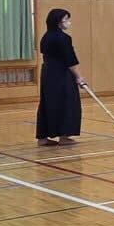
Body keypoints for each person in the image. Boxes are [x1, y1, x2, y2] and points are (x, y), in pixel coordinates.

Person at [36, 8, 84, 147]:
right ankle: (64, 137)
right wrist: (79, 77)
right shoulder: (63, 38)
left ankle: (43, 138)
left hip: (47, 73)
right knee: (67, 103)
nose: (68, 22)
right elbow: (70, 60)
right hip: (61, 74)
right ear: (58, 22)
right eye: (66, 19)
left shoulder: (45, 37)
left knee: (48, 103)